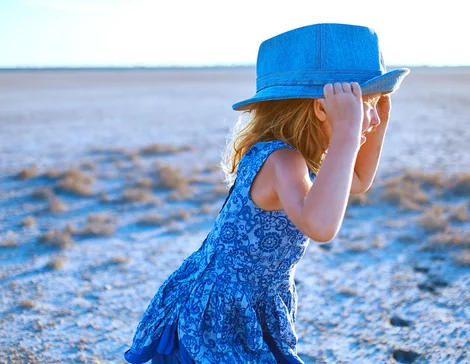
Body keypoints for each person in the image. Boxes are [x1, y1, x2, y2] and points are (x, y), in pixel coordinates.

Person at [124, 23, 410, 364]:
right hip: (222, 312)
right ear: (322, 109)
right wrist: (348, 131)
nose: (375, 118)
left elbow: (358, 180)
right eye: (368, 105)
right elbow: (320, 226)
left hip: (251, 301)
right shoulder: (282, 160)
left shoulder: (292, 156)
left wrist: (375, 123)